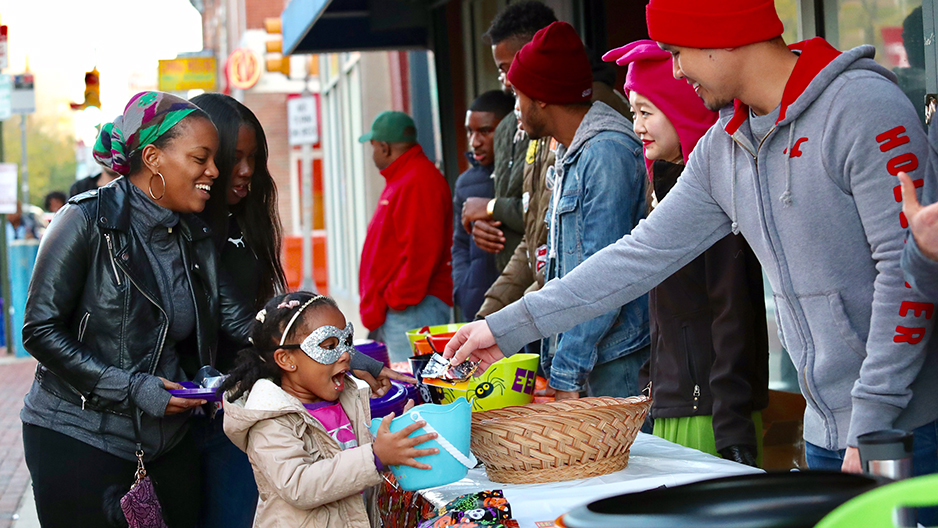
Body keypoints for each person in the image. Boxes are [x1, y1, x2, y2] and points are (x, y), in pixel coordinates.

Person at [447, 0, 938, 480]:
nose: (677, 71)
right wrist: (506, 326)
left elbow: (907, 275)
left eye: (678, 51)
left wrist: (871, 420)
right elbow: (635, 258)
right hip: (825, 433)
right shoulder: (722, 148)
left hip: (904, 431)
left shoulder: (862, 107)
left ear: (721, 37)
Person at [20, 91, 255, 527]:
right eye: (201, 158)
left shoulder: (195, 234)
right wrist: (133, 388)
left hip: (167, 443)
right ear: (153, 158)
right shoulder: (86, 219)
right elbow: (40, 330)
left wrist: (330, 348)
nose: (214, 172)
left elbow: (245, 322)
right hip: (77, 437)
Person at [192, 93, 410, 528]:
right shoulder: (193, 230)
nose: (247, 170)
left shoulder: (242, 221)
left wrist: (348, 359)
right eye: (234, 158)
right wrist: (348, 358)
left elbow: (271, 316)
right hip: (220, 409)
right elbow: (249, 324)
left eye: (254, 157)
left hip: (256, 383)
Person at [608, 40, 768, 467]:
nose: (637, 126)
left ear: (680, 111)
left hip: (713, 414)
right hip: (676, 401)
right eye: (633, 113)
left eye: (646, 112)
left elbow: (734, 313)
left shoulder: (715, 200)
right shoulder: (662, 191)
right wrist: (653, 385)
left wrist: (732, 422)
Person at [506, 21, 649, 399]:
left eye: (518, 94)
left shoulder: (605, 154)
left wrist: (566, 373)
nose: (515, 108)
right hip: (590, 359)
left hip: (613, 361)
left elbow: (605, 276)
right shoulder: (573, 152)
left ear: (540, 97)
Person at [221, 292, 438, 528]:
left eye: (347, 342)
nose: (346, 355)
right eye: (329, 346)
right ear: (286, 359)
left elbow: (353, 455)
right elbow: (299, 485)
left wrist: (396, 438)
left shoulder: (345, 399)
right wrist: (375, 455)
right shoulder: (269, 417)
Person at [359, 111, 453, 362]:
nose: (373, 154)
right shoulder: (404, 177)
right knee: (406, 384)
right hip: (405, 309)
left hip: (413, 309)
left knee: (414, 387)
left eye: (373, 147)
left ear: (384, 147)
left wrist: (395, 299)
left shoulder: (417, 180)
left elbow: (420, 254)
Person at [453, 90, 515, 322]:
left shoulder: (524, 174)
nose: (474, 141)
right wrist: (463, 288)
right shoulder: (465, 183)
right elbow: (459, 244)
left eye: (485, 131)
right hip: (477, 309)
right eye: (470, 131)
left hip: (521, 305)